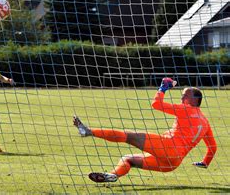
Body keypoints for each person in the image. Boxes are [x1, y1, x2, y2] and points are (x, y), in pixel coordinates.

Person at [74, 78, 217, 183]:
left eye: (185, 95)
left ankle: (88, 131)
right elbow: (213, 147)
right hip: (173, 163)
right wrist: (205, 162)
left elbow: (156, 104)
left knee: (128, 136)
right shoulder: (205, 122)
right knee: (128, 159)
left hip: (167, 146)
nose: (182, 97)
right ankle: (112, 175)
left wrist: (162, 89)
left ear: (195, 100)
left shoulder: (186, 109)